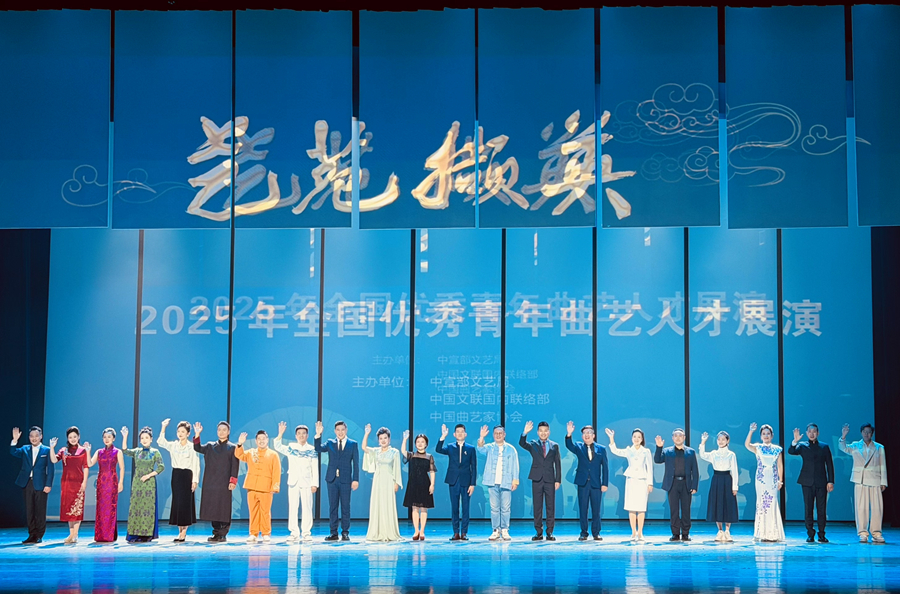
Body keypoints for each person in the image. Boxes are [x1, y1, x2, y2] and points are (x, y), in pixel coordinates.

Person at [839, 422, 888, 543]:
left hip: (875, 479)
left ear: (872, 433)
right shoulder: (855, 445)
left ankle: (876, 533)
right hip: (860, 479)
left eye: (869, 432)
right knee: (861, 508)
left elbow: (883, 465)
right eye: (864, 432)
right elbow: (843, 448)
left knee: (877, 508)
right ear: (861, 433)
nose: (867, 434)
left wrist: (883, 482)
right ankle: (863, 533)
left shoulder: (879, 447)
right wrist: (843, 436)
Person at [193, 421, 240, 542]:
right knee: (213, 508)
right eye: (219, 430)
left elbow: (235, 466)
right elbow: (197, 448)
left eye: (224, 430)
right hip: (211, 482)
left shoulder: (232, 447)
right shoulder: (210, 446)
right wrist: (197, 434)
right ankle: (216, 533)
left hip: (224, 482)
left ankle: (223, 533)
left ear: (228, 432)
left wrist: (233, 481)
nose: (221, 432)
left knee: (223, 507)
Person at [788, 423, 834, 543]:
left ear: (818, 433)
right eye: (810, 432)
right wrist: (795, 441)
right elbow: (791, 451)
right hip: (806, 481)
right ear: (807, 433)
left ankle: (822, 534)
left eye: (814, 432)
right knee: (808, 508)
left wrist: (830, 481)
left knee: (821, 509)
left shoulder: (824, 447)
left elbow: (829, 464)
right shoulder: (802, 445)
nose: (812, 434)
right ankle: (810, 534)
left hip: (821, 482)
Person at [273, 421, 319, 543]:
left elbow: (315, 467)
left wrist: (315, 483)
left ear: (307, 435)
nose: (301, 435)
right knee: (293, 507)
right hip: (293, 481)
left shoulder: (312, 449)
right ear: (296, 436)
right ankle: (294, 532)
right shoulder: (291, 447)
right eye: (299, 433)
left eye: (304, 433)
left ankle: (306, 533)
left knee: (307, 507)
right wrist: (280, 434)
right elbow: (277, 446)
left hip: (307, 482)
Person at [314, 420, 359, 541]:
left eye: (342, 430)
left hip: (346, 480)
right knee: (333, 507)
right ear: (335, 431)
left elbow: (356, 463)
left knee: (345, 507)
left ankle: (345, 532)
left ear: (346, 430)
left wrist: (355, 479)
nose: (340, 432)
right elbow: (318, 448)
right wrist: (318, 434)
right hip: (332, 480)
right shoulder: (330, 443)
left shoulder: (352, 444)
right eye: (338, 430)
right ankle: (333, 533)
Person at [606, 428, 654, 542]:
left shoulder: (646, 451)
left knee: (641, 508)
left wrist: (650, 483)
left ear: (642, 439)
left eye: (639, 437)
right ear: (632, 438)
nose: (636, 439)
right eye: (634, 437)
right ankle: (633, 532)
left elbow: (649, 468)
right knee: (631, 507)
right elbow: (615, 451)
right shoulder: (628, 450)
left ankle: (640, 533)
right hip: (631, 480)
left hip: (642, 481)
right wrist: (611, 438)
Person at [9, 426, 55, 544]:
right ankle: (31, 534)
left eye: (36, 436)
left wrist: (48, 484)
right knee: (29, 510)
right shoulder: (25, 449)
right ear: (29, 437)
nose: (34, 438)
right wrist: (15, 440)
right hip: (27, 483)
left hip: (41, 484)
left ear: (41, 436)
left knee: (40, 510)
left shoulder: (47, 450)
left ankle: (39, 535)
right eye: (31, 436)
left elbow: (50, 469)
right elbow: (13, 452)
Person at [235, 429, 281, 543]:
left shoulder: (273, 454)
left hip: (266, 487)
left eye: (263, 439)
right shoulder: (251, 452)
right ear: (256, 441)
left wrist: (275, 486)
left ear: (267, 440)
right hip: (252, 486)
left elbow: (276, 471)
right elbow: (239, 455)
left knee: (265, 511)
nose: (261, 441)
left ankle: (266, 533)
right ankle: (253, 533)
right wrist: (240, 444)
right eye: (259, 439)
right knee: (253, 511)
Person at [157, 419, 199, 543]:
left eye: (183, 431)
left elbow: (196, 464)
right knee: (178, 502)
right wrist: (163, 427)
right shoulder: (174, 445)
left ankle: (183, 532)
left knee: (186, 503)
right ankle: (180, 530)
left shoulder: (192, 447)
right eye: (178, 431)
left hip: (187, 475)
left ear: (188, 433)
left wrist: (195, 480)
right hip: (176, 475)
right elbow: (161, 442)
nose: (180, 434)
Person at [565, 422, 608, 541]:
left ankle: (596, 533)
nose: (587, 435)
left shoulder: (601, 449)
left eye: (589, 433)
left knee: (596, 510)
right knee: (583, 509)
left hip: (596, 484)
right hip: (583, 483)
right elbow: (569, 445)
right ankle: (584, 533)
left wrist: (604, 483)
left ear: (593, 435)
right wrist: (569, 434)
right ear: (582, 436)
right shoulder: (579, 447)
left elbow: (605, 468)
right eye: (584, 433)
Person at [518, 420, 561, 541]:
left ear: (549, 432)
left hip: (550, 479)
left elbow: (557, 464)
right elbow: (522, 443)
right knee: (537, 506)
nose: (543, 433)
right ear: (537, 432)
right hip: (537, 478)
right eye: (541, 431)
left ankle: (550, 532)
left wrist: (558, 480)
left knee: (550, 506)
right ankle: (538, 532)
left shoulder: (554, 445)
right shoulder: (533, 444)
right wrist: (525, 433)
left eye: (545, 431)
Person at [653, 428, 699, 541]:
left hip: (686, 484)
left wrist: (694, 485)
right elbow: (657, 460)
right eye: (676, 436)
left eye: (680, 436)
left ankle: (685, 533)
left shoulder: (691, 452)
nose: (678, 438)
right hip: (672, 484)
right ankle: (675, 533)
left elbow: (695, 470)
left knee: (686, 509)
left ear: (684, 438)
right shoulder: (667, 451)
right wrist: (659, 447)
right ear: (672, 438)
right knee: (674, 510)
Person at [121, 426, 165, 543]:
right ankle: (134, 534)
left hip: (149, 484)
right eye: (142, 438)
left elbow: (161, 467)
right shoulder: (137, 451)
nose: (144, 440)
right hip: (137, 483)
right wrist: (125, 436)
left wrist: (149, 475)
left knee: (148, 508)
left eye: (146, 438)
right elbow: (125, 450)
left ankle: (147, 534)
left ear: (151, 439)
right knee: (136, 507)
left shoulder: (155, 452)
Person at [435, 423, 477, 541]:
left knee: (466, 507)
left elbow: (474, 467)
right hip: (453, 480)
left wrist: (472, 484)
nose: (460, 433)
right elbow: (438, 449)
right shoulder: (450, 446)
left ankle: (464, 532)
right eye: (457, 432)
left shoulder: (471, 448)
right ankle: (456, 532)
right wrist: (443, 436)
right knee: (454, 507)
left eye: (462, 431)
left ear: (465, 434)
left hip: (466, 481)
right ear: (454, 434)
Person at [477, 425, 519, 541]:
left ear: (504, 435)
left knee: (505, 508)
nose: (498, 435)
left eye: (500, 433)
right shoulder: (489, 447)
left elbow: (515, 466)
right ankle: (495, 530)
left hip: (506, 482)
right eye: (496, 433)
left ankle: (505, 530)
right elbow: (480, 449)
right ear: (493, 435)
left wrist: (515, 481)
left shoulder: (511, 449)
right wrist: (481, 437)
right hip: (492, 482)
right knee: (494, 508)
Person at [361, 425, 403, 542]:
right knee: (378, 505)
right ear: (378, 440)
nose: (383, 440)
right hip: (378, 481)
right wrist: (367, 433)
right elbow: (364, 447)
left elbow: (397, 468)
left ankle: (389, 532)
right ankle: (377, 532)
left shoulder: (394, 452)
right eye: (381, 438)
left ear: (389, 439)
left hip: (389, 481)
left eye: (385, 438)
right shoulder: (376, 451)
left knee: (388, 505)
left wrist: (396, 483)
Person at [744, 423, 785, 542]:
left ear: (772, 435)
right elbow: (747, 445)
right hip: (761, 479)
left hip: (772, 479)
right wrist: (751, 431)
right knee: (762, 504)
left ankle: (773, 533)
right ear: (761, 436)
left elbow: (780, 465)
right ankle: (762, 533)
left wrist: (780, 480)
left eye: (768, 433)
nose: (766, 436)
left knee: (772, 504)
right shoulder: (758, 448)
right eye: (764, 434)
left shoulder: (777, 449)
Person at [49, 426, 88, 544]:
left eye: (75, 436)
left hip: (78, 483)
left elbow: (86, 466)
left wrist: (84, 482)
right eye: (70, 437)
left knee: (77, 508)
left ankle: (75, 534)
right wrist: (52, 448)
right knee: (69, 509)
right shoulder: (64, 450)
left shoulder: (83, 450)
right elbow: (54, 460)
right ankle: (71, 534)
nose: (73, 439)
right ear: (67, 438)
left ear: (78, 437)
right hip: (66, 483)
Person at [699, 431, 739, 542]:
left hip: (727, 479)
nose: (720, 441)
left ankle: (727, 531)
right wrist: (703, 442)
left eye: (723, 439)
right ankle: (720, 531)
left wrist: (735, 486)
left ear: (727, 441)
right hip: (716, 479)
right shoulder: (714, 454)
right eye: (719, 439)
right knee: (717, 504)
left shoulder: (731, 454)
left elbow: (734, 471)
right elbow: (702, 455)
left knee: (728, 504)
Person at [88, 427, 124, 543]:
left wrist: (121, 482)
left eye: (109, 437)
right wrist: (88, 451)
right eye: (104, 437)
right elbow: (89, 463)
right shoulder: (99, 452)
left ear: (113, 438)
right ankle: (101, 535)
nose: (106, 439)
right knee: (101, 508)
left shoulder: (117, 452)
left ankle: (109, 535)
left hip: (112, 482)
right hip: (101, 483)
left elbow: (122, 468)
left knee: (110, 508)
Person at [400, 430, 436, 541]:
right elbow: (403, 451)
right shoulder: (412, 455)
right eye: (418, 442)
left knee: (424, 508)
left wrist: (432, 485)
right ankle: (416, 530)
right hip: (413, 483)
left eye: (422, 442)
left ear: (426, 444)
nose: (420, 444)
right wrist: (405, 439)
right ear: (415, 444)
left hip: (424, 483)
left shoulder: (429, 457)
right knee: (414, 508)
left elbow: (432, 471)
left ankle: (422, 531)